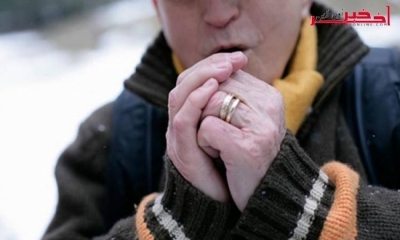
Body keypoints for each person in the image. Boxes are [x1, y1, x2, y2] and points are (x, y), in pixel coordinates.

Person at [42, 0, 400, 239]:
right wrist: (174, 223)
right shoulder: (109, 146)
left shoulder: (392, 97)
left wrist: (310, 210)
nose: (218, 13)